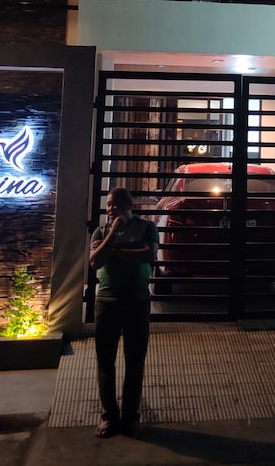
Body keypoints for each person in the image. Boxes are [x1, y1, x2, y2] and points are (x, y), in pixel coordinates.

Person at [89, 185, 158, 439]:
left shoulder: (146, 228)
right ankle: (109, 416)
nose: (110, 209)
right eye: (108, 205)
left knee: (135, 362)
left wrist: (114, 250)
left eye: (115, 205)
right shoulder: (101, 230)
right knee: (105, 362)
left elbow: (148, 255)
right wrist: (114, 233)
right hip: (106, 302)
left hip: (137, 301)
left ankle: (130, 418)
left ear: (129, 205)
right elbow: (95, 261)